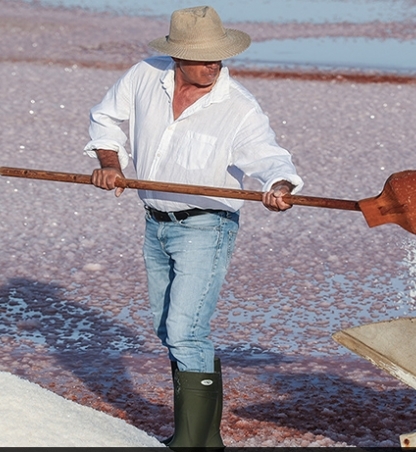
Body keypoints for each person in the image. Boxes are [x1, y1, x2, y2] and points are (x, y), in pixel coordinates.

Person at [84, 5, 303, 450]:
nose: (213, 65)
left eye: (218, 57)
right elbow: (105, 118)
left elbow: (268, 155)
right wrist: (110, 163)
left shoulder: (237, 106)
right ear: (177, 56)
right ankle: (205, 439)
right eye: (203, 57)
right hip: (155, 223)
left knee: (186, 332)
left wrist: (278, 184)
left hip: (207, 226)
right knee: (171, 330)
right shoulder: (145, 76)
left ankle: (190, 441)